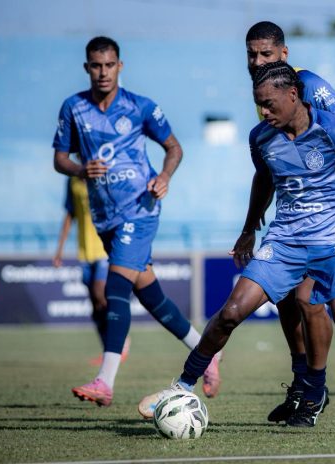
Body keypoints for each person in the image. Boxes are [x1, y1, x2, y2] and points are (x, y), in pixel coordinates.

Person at [140, 61, 335, 436]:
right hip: (283, 242)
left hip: (332, 241)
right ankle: (182, 385)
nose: (263, 112)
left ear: (293, 95)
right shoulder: (261, 138)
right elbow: (264, 180)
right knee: (231, 311)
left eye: (269, 103)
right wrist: (248, 230)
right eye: (259, 104)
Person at [52, 36, 219, 407]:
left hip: (141, 209)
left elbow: (174, 148)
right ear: (87, 68)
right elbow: (59, 158)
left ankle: (105, 381)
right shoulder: (74, 108)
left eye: (109, 65)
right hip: (104, 218)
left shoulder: (140, 107)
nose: (103, 72)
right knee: (151, 295)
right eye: (96, 66)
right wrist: (81, 169)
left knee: (115, 287)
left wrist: (164, 177)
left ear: (120, 66)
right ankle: (207, 353)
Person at [245, 20, 335, 424]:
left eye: (266, 54)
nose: (257, 62)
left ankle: (314, 392)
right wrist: (250, 224)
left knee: (308, 297)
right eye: (252, 54)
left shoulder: (308, 85)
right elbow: (268, 166)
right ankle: (302, 384)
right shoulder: (265, 94)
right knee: (284, 296)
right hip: (301, 213)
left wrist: (332, 186)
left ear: (284, 54)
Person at [53, 176, 130, 365]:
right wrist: (60, 249)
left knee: (99, 293)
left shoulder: (104, 175)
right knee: (95, 306)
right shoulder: (72, 180)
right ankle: (108, 351)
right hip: (84, 252)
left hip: (104, 248)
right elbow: (70, 214)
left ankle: (121, 337)